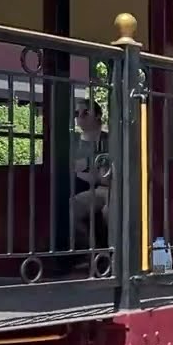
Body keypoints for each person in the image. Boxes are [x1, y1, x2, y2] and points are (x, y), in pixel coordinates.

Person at [70, 100, 111, 248]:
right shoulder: (74, 141)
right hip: (96, 189)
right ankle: (90, 254)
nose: (80, 117)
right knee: (71, 207)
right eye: (77, 113)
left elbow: (104, 176)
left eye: (85, 112)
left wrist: (83, 168)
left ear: (98, 115)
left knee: (110, 211)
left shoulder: (109, 139)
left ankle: (110, 256)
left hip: (109, 188)